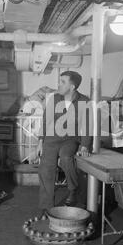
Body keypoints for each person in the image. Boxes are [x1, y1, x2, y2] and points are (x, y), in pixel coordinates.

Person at [36, 71, 92, 213]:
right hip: (51, 139)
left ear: (72, 86)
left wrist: (85, 145)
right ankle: (46, 206)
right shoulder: (54, 98)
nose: (59, 84)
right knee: (46, 169)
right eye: (59, 81)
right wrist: (40, 141)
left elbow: (87, 125)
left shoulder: (84, 101)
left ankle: (73, 190)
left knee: (67, 159)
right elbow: (45, 120)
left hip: (70, 140)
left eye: (62, 82)